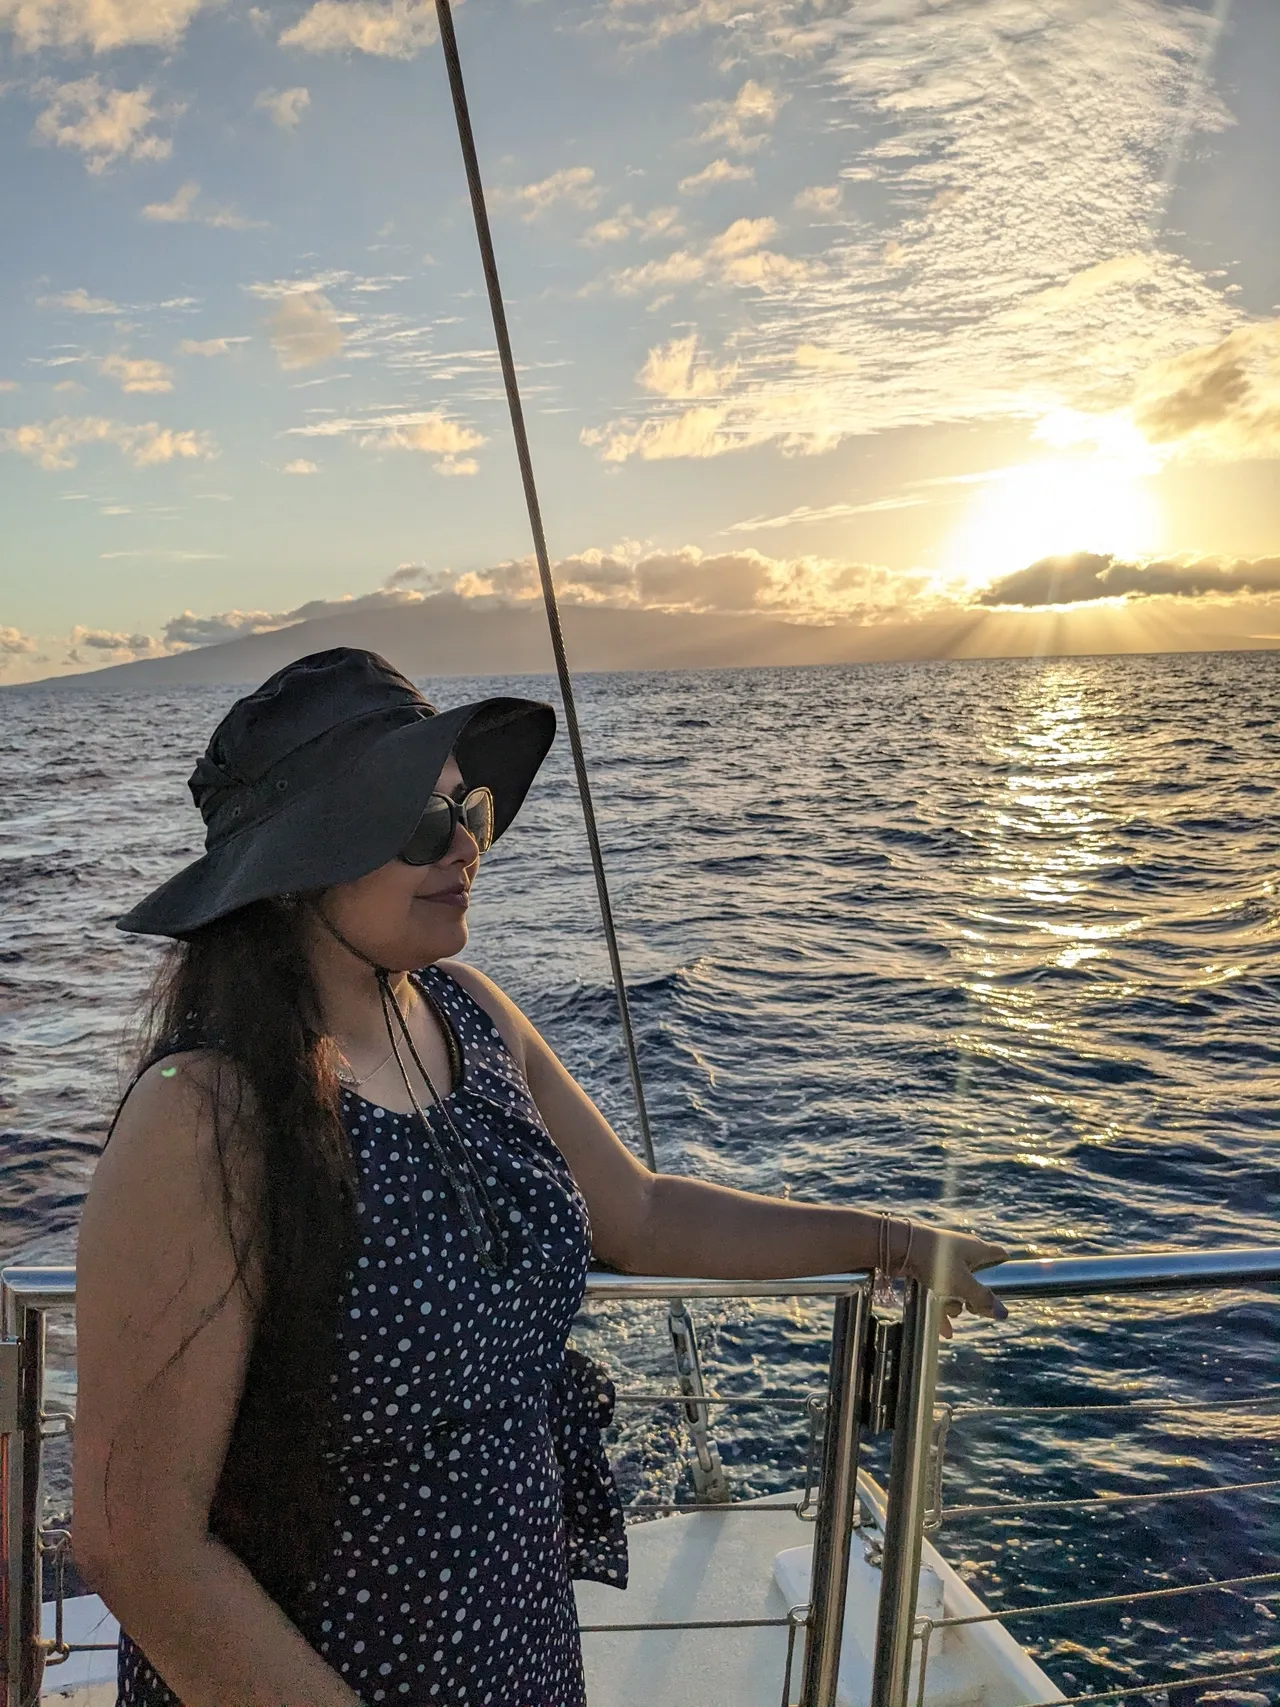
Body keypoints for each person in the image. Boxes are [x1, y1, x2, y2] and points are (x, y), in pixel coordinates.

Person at [72, 646, 1008, 1707]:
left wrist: (881, 1241)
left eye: (467, 810)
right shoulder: (202, 1118)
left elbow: (642, 1215)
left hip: (512, 1646)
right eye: (423, 823)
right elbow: (136, 1546)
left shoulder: (465, 1010)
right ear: (298, 864)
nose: (466, 847)